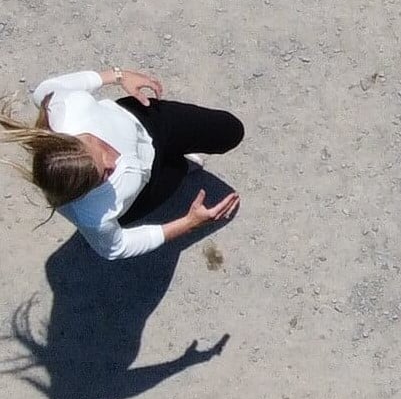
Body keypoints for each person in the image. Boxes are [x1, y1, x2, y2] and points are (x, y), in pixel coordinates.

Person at [1, 66, 243, 260]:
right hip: (146, 190)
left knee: (231, 131)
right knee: (177, 170)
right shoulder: (92, 215)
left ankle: (178, 159)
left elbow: (45, 89)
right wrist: (188, 223)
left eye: (101, 155)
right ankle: (180, 165)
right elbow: (116, 248)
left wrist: (118, 75)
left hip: (149, 123)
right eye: (102, 178)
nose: (114, 164)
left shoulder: (69, 108)